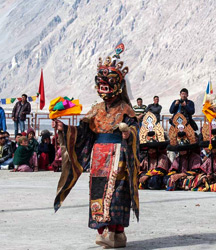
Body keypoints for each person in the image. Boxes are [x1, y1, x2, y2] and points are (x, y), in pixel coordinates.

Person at [52, 45, 139, 248]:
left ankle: (117, 233)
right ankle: (103, 231)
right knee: (98, 193)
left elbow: (136, 129)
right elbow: (83, 132)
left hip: (119, 157)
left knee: (117, 194)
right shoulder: (96, 109)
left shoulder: (126, 109)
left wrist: (128, 133)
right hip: (99, 158)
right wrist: (64, 128)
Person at [138, 112, 170, 190]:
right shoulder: (146, 158)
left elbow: (161, 169)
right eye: (150, 150)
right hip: (148, 176)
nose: (151, 152)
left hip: (158, 177)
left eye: (153, 149)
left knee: (155, 178)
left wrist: (147, 175)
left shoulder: (163, 157)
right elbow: (141, 168)